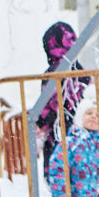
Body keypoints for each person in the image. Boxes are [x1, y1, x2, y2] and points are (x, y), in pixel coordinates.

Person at [35, 22, 89, 179]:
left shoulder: (52, 75)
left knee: (59, 178)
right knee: (82, 177)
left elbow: (48, 107)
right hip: (83, 135)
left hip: (58, 135)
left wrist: (39, 122)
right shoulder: (82, 72)